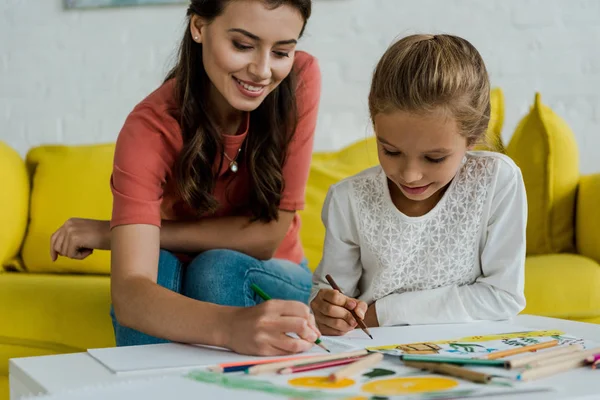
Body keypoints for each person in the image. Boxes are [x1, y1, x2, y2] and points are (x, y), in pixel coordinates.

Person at [49, 0, 323, 356]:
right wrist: (229, 326)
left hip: (273, 269)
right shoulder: (150, 128)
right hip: (180, 263)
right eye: (242, 45)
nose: (262, 70)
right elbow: (131, 293)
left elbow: (267, 237)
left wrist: (109, 234)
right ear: (199, 27)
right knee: (158, 270)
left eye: (282, 52)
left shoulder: (301, 80)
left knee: (218, 268)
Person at [309, 34, 527, 336]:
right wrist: (326, 310)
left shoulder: (496, 182)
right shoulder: (349, 199)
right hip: (370, 351)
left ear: (473, 138)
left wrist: (381, 313)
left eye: (434, 158)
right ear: (375, 126)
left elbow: (503, 296)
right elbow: (332, 296)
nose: (410, 175)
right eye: (391, 151)